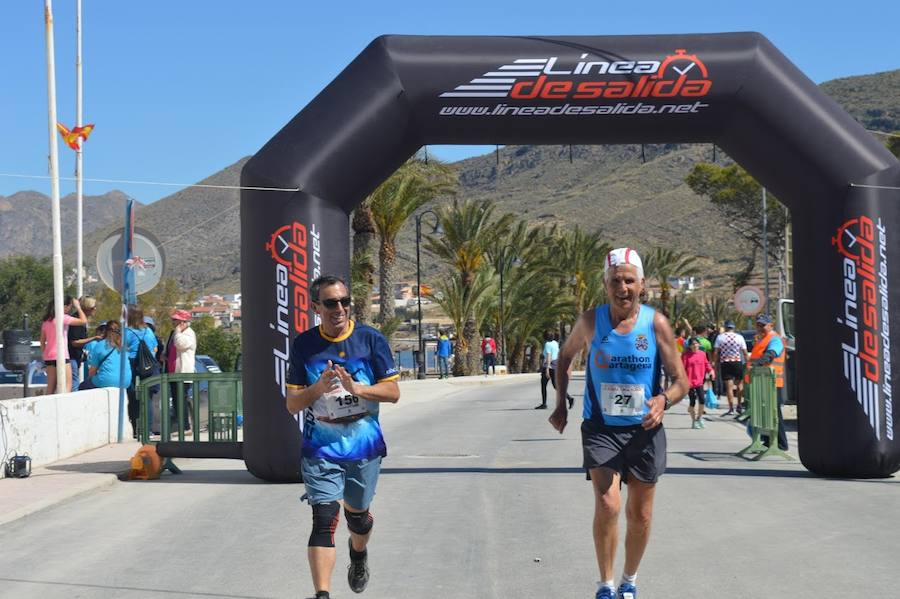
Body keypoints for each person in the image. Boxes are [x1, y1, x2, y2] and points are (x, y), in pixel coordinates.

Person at [549, 247, 687, 599]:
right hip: (600, 427)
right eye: (615, 281)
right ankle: (606, 584)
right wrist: (560, 403)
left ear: (642, 284)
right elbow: (564, 357)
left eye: (629, 281)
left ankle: (629, 580)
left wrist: (663, 400)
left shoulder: (655, 324)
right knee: (608, 504)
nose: (622, 288)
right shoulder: (590, 322)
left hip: (645, 430)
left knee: (639, 514)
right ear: (604, 284)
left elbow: (681, 381)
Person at [285, 275, 400, 599]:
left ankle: (359, 555)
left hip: (364, 447)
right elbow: (292, 403)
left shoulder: (370, 340)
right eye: (331, 303)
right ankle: (322, 594)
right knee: (324, 519)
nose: (339, 308)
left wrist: (358, 388)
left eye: (344, 302)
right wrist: (318, 389)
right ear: (316, 307)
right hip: (321, 447)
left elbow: (393, 392)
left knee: (358, 519)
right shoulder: (304, 345)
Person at [745, 313, 788, 451]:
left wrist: (756, 364)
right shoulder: (762, 339)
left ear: (771, 325)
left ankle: (780, 444)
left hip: (772, 382)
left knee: (774, 414)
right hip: (761, 381)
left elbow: (771, 355)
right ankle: (768, 442)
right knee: (765, 414)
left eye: (763, 325)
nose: (760, 327)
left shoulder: (775, 339)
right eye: (758, 325)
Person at [40, 296, 88, 394]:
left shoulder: (46, 320)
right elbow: (83, 321)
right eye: (70, 306)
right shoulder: (63, 318)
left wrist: (44, 354)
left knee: (50, 388)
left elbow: (42, 341)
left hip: (49, 356)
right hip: (62, 355)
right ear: (65, 306)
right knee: (67, 385)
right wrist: (78, 307)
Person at [161, 309, 197, 431]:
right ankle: (181, 426)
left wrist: (178, 331)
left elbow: (180, 344)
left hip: (183, 373)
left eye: (175, 320)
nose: (173, 322)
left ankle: (185, 426)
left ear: (183, 322)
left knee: (181, 399)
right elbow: (169, 348)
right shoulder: (174, 333)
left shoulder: (188, 333)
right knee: (176, 400)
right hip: (172, 372)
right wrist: (164, 354)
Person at [125, 306, 159, 435]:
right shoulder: (148, 331)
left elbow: (122, 348)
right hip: (149, 366)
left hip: (133, 364)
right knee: (148, 398)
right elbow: (155, 349)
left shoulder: (127, 332)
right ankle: (148, 429)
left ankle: (136, 428)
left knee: (133, 397)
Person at [79, 321, 130, 390]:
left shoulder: (101, 344)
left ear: (106, 331)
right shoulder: (124, 346)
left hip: (107, 381)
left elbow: (92, 371)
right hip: (126, 382)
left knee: (82, 386)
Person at [713, 320, 749, 416]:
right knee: (739, 385)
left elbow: (716, 353)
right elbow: (745, 353)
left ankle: (731, 408)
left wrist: (715, 365)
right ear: (733, 327)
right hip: (737, 362)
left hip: (725, 362)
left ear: (725, 327)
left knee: (729, 387)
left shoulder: (720, 337)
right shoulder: (739, 337)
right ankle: (739, 406)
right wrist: (748, 364)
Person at [681, 336, 715, 429]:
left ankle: (699, 418)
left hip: (699, 381)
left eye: (696, 343)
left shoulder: (702, 354)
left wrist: (711, 370)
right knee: (692, 402)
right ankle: (693, 421)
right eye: (692, 344)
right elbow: (682, 369)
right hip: (689, 382)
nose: (695, 345)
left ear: (699, 344)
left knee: (702, 400)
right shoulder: (685, 356)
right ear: (690, 346)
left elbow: (706, 364)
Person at [536, 331, 574, 410]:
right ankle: (569, 398)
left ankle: (544, 404)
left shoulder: (547, 344)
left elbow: (549, 356)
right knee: (556, 386)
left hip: (549, 366)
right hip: (556, 366)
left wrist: (547, 368)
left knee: (543, 385)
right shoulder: (555, 343)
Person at [67, 296, 97, 389]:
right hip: (71, 357)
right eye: (93, 307)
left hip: (76, 357)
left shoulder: (80, 321)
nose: (95, 309)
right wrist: (93, 338)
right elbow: (75, 342)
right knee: (74, 384)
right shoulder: (76, 321)